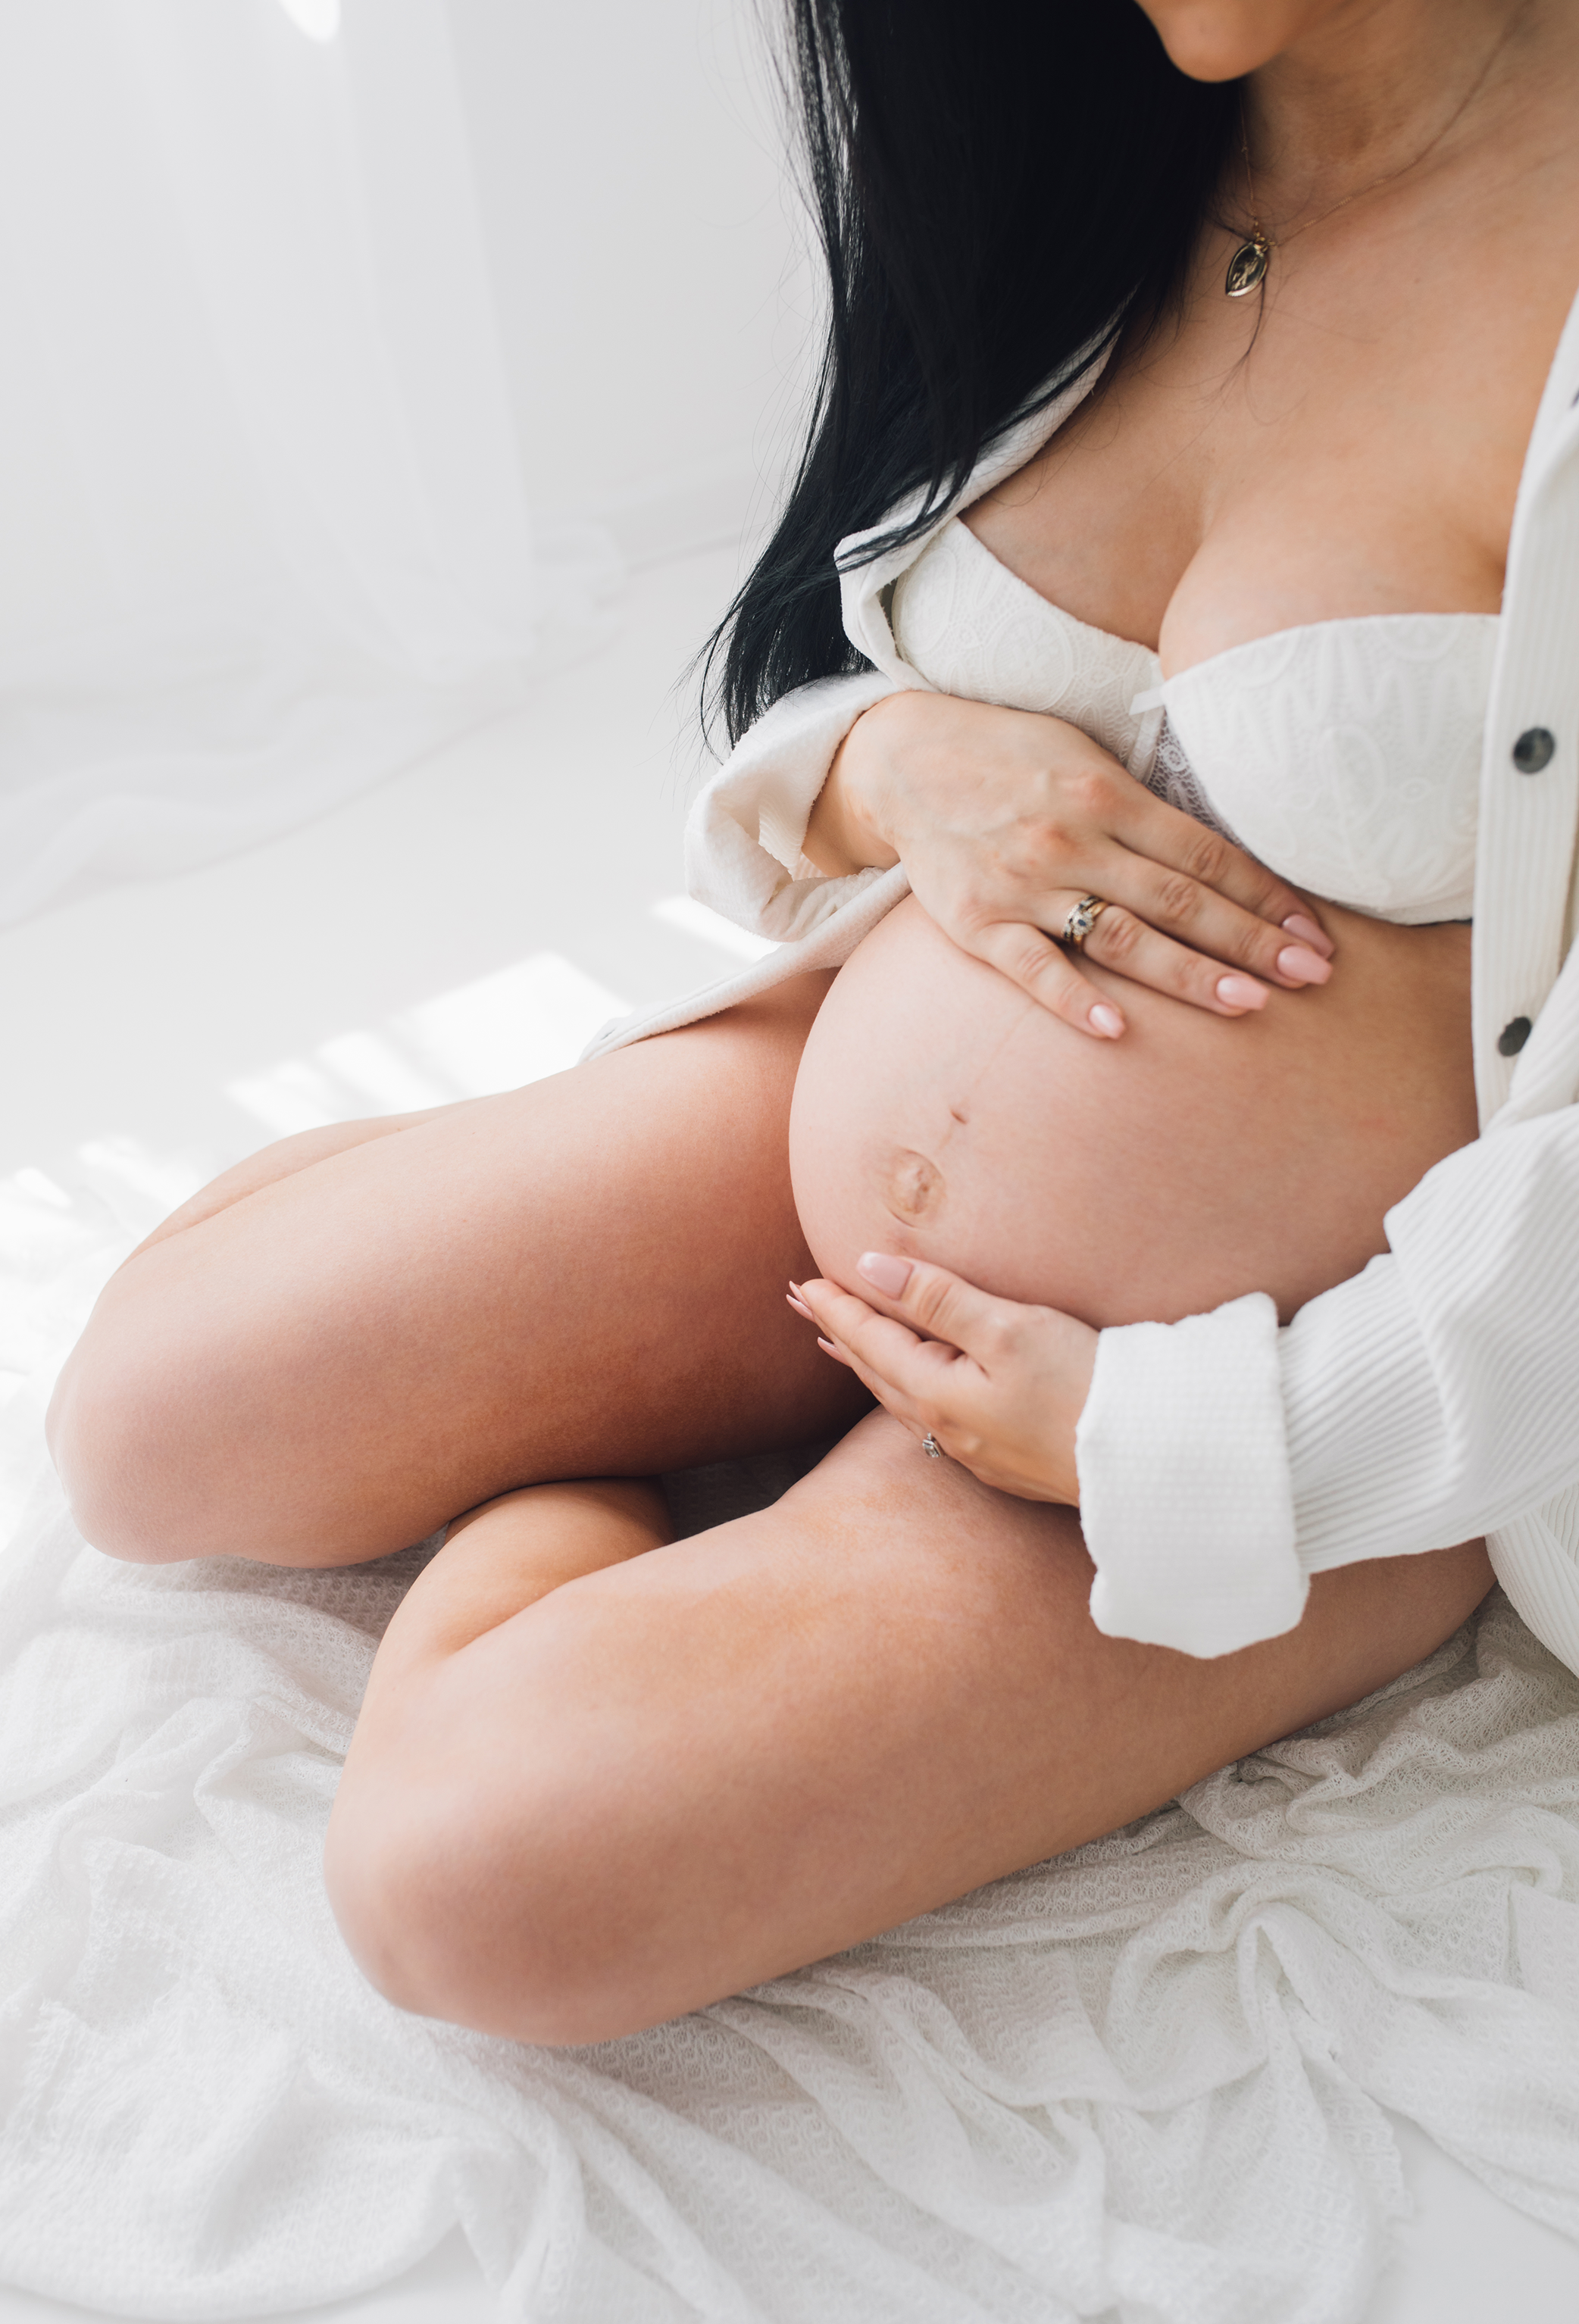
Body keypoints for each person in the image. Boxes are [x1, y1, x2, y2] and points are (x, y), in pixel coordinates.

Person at [42, 0, 1579, 2046]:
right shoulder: (1092, 153)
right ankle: (702, 1447)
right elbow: (834, 660)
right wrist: (890, 764)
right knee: (149, 1423)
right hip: (826, 1121)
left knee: (480, 1887)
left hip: (1256, 1386)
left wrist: (1202, 1443)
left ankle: (691, 1489)